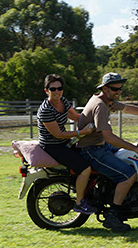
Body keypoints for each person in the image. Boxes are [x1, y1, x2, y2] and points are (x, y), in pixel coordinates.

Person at [76, 72, 138, 232]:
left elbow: (127, 108)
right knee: (128, 174)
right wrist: (136, 148)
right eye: (114, 89)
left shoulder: (106, 100)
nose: (118, 92)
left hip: (100, 145)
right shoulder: (101, 106)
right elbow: (108, 136)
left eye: (120, 89)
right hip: (92, 149)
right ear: (104, 88)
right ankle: (113, 215)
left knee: (132, 154)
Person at [37, 74, 97, 214]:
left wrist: (95, 120)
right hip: (53, 145)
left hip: (64, 142)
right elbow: (58, 134)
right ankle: (79, 203)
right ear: (46, 91)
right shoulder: (46, 110)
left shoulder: (63, 101)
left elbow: (77, 117)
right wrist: (81, 132)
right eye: (53, 89)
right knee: (85, 168)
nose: (57, 91)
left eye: (60, 88)